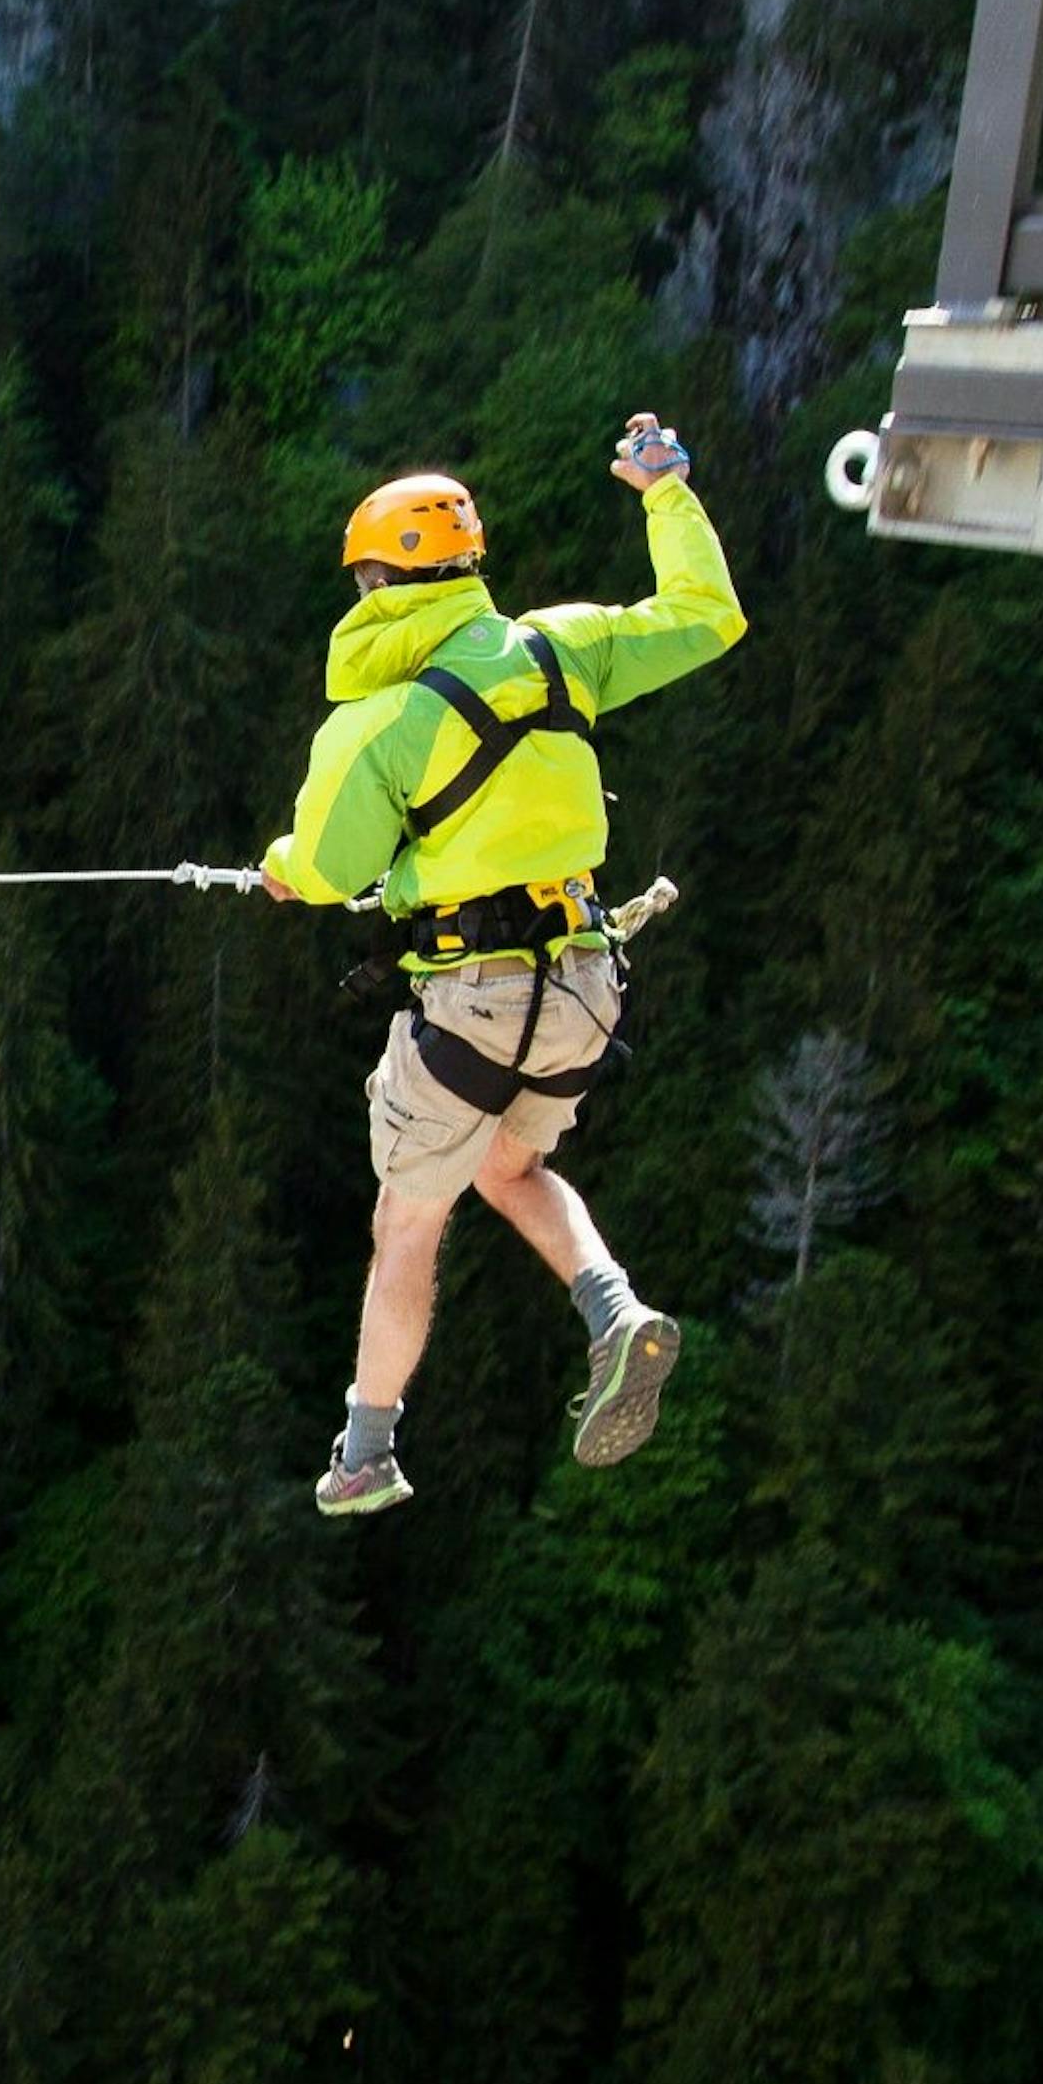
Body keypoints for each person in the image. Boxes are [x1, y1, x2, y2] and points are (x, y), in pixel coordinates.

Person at [258, 414, 745, 1516]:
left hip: (473, 1003)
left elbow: (330, 871)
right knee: (510, 1170)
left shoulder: (379, 725)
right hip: (583, 984)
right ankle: (613, 1313)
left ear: (380, 584)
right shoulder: (555, 647)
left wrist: (282, 867)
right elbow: (707, 619)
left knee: (408, 1223)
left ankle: (365, 1452)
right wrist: (666, 491)